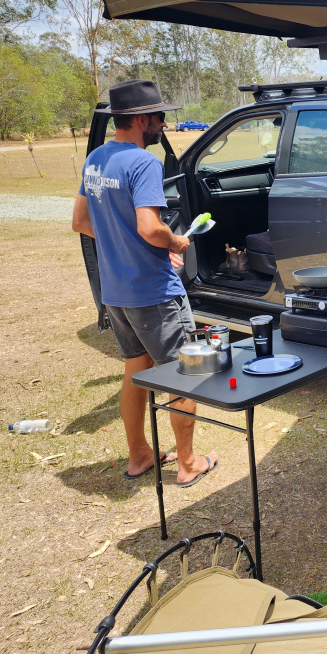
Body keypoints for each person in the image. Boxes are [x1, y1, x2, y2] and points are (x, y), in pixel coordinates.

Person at [71, 79, 218, 486]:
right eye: (159, 116)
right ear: (140, 119)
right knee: (186, 370)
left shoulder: (98, 159)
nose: (163, 124)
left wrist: (126, 243)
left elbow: (81, 222)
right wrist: (176, 242)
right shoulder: (143, 163)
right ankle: (188, 464)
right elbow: (151, 228)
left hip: (115, 291)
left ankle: (139, 456)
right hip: (153, 291)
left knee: (135, 371)